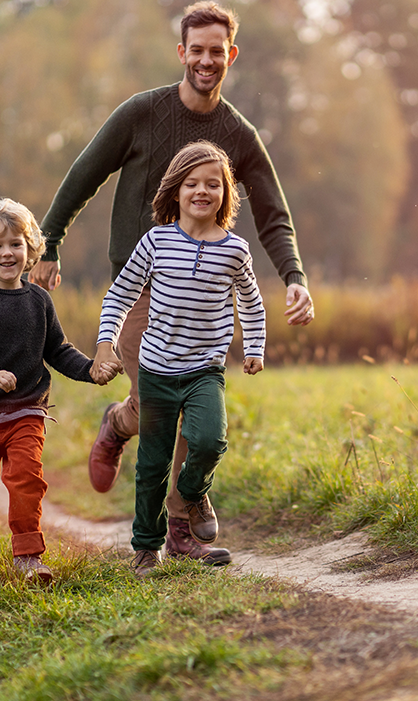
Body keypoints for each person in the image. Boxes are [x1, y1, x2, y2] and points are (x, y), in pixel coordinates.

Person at [32, 0, 313, 565]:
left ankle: (180, 525)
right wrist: (49, 242)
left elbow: (271, 212)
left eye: (218, 52)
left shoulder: (238, 133)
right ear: (182, 52)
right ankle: (118, 425)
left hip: (205, 294)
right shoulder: (141, 112)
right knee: (157, 402)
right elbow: (84, 174)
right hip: (141, 283)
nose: (206, 61)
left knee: (196, 405)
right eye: (197, 50)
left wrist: (294, 276)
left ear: (230, 56)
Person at [92, 141, 265, 577]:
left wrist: (255, 347)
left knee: (210, 440)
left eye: (213, 184)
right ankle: (147, 548)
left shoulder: (235, 250)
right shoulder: (157, 241)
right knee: (152, 462)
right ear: (175, 190)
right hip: (156, 370)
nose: (201, 191)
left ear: (226, 193)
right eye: (191, 183)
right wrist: (105, 342)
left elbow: (252, 303)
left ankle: (191, 494)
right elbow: (121, 294)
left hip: (205, 368)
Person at [0, 199, 112, 583]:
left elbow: (58, 350)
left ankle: (28, 557)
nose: (8, 253)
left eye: (16, 244)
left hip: (26, 410)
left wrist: (91, 369)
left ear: (30, 248)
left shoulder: (39, 299)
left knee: (26, 477)